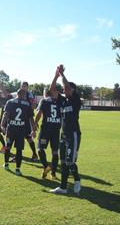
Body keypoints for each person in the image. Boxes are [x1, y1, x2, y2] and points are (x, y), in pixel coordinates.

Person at [49, 65, 82, 194]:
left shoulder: (75, 99)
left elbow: (67, 86)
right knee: (63, 161)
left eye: (65, 89)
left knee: (70, 161)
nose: (63, 90)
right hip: (64, 134)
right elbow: (52, 90)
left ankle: (77, 180)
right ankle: (63, 188)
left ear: (72, 90)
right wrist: (56, 76)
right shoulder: (62, 101)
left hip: (73, 134)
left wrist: (62, 74)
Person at [1, 89, 36, 176]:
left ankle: (6, 164)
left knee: (8, 146)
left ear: (17, 94)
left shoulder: (10, 102)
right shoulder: (27, 104)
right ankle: (17, 169)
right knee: (19, 150)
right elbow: (31, 118)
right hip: (21, 130)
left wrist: (2, 125)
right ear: (23, 95)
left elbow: (6, 114)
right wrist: (33, 130)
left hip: (11, 128)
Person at [34, 89, 65, 180]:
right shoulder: (60, 102)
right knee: (55, 152)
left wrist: (35, 124)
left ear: (46, 94)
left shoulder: (44, 100)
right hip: (56, 130)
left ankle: (46, 167)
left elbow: (39, 113)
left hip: (45, 130)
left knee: (40, 149)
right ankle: (53, 173)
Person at [10, 81, 38, 162]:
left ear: (27, 87)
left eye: (25, 86)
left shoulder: (29, 94)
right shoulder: (18, 93)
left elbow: (33, 105)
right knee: (20, 137)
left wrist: (30, 107)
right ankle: (18, 156)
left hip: (25, 119)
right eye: (22, 86)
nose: (24, 87)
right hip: (19, 119)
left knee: (27, 137)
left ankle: (34, 154)